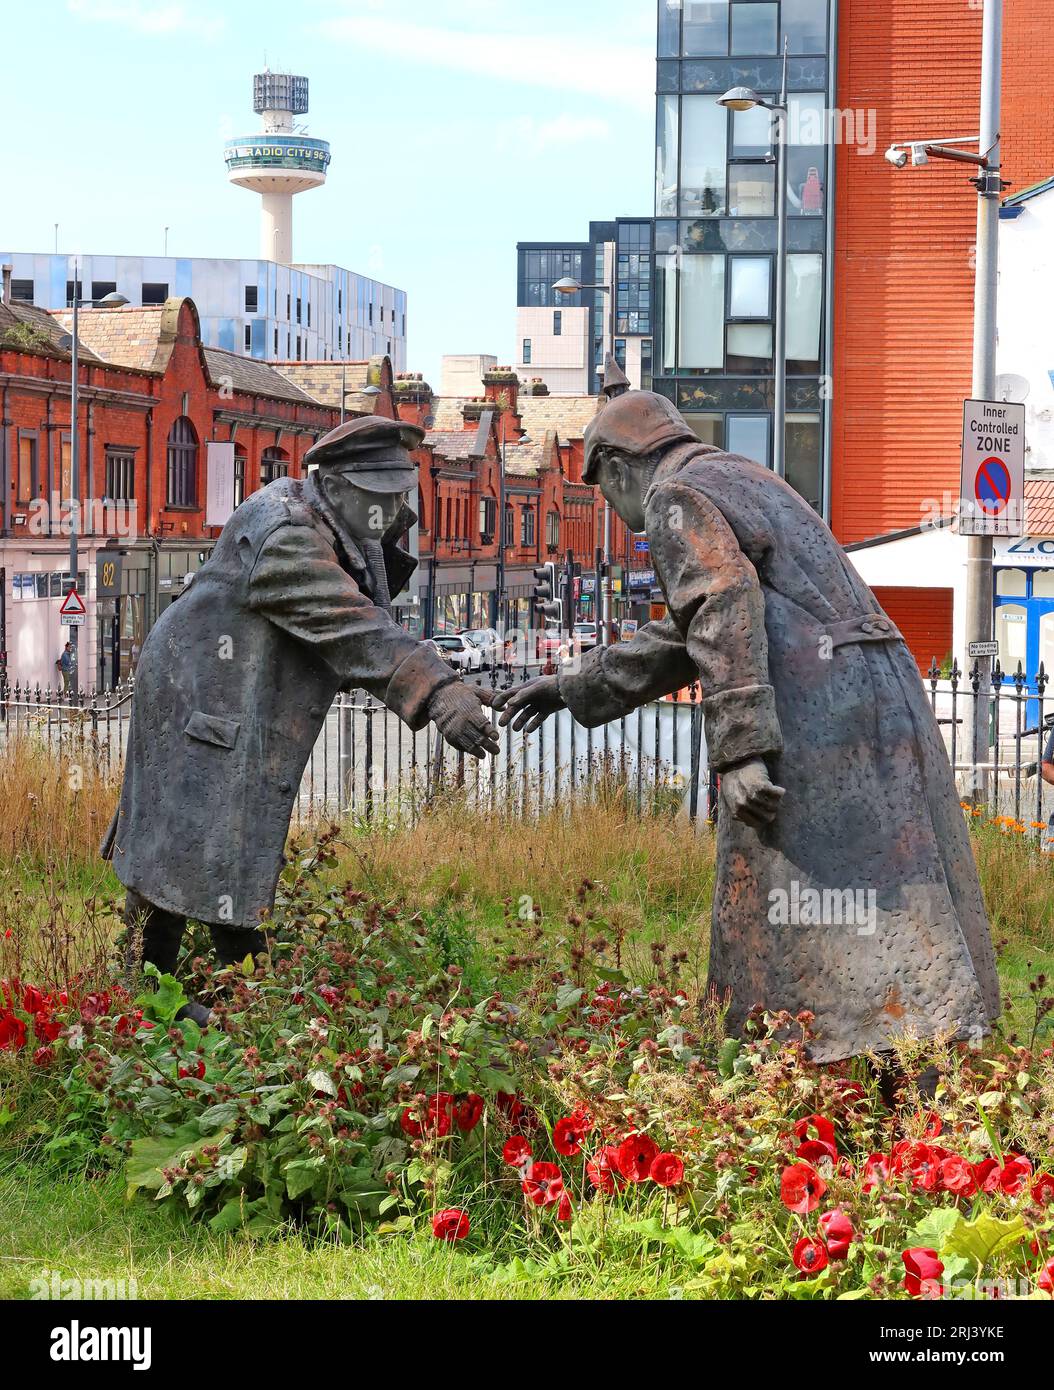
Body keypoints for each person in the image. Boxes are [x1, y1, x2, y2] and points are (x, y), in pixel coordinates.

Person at [492, 361, 1000, 1064]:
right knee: (892, 890)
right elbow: (692, 630)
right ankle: (920, 1066)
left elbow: (720, 605)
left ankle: (800, 1072)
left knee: (798, 903)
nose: (610, 507)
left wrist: (741, 750)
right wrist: (572, 686)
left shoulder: (675, 497)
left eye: (601, 489)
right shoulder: (740, 475)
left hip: (817, 710)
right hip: (878, 689)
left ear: (612, 466)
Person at [103, 416, 498, 1023]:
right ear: (336, 484)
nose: (394, 509)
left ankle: (216, 996)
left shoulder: (330, 517)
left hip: (235, 689)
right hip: (199, 691)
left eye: (400, 494)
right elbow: (349, 622)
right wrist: (437, 689)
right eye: (381, 496)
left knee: (219, 833)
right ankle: (152, 995)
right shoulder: (284, 532)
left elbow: (369, 602)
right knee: (187, 833)